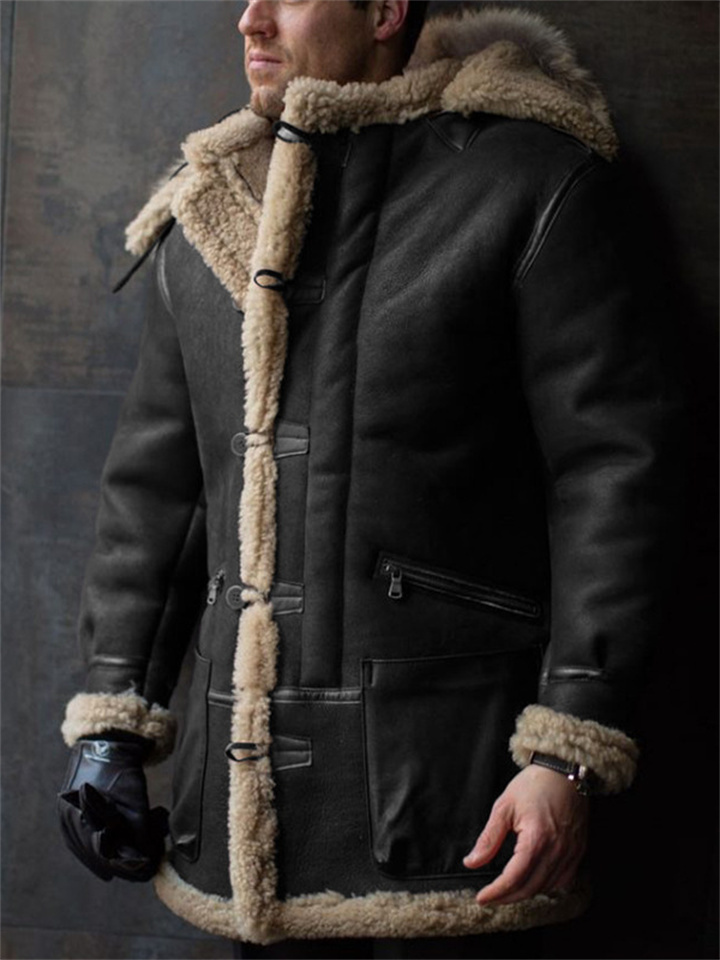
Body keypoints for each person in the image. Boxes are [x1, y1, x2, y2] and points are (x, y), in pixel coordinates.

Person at [57, 1, 683, 956]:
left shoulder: (528, 182)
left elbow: (615, 475)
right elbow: (158, 496)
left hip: (459, 811)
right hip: (239, 825)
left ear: (387, 10)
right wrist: (112, 725)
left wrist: (570, 744)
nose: (250, 20)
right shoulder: (210, 206)